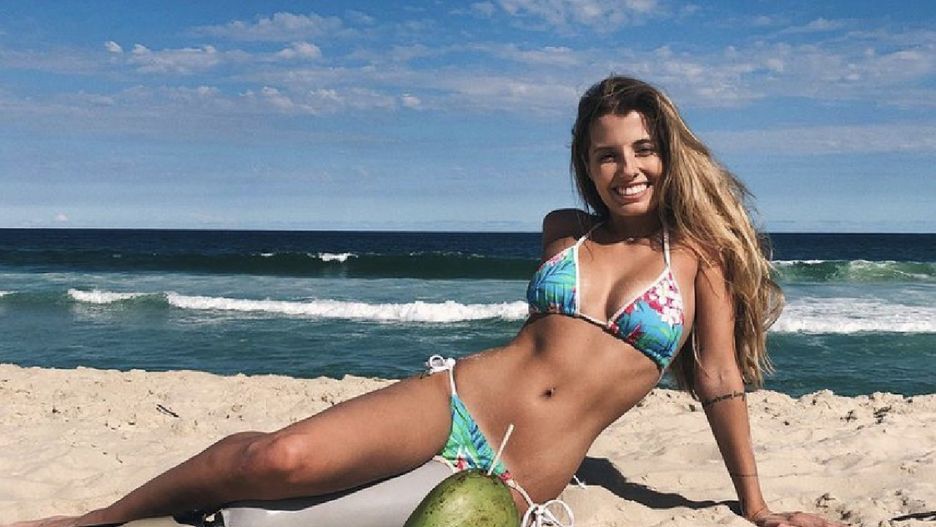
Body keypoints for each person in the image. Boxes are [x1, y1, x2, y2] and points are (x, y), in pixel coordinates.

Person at [9, 76, 846, 527]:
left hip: (523, 469)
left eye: (642, 149)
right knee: (277, 460)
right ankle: (102, 515)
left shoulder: (698, 256)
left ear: (668, 153)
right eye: (605, 154)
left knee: (262, 521)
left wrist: (756, 505)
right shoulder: (563, 231)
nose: (626, 168)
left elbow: (719, 379)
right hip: (456, 396)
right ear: (585, 164)